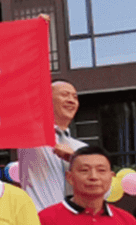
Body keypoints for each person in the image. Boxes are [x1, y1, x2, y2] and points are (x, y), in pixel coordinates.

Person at [16, 79, 85, 210]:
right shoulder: (30, 135)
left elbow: (104, 191)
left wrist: (75, 159)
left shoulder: (82, 148)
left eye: (75, 97)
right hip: (39, 216)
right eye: (64, 95)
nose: (71, 100)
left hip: (75, 218)